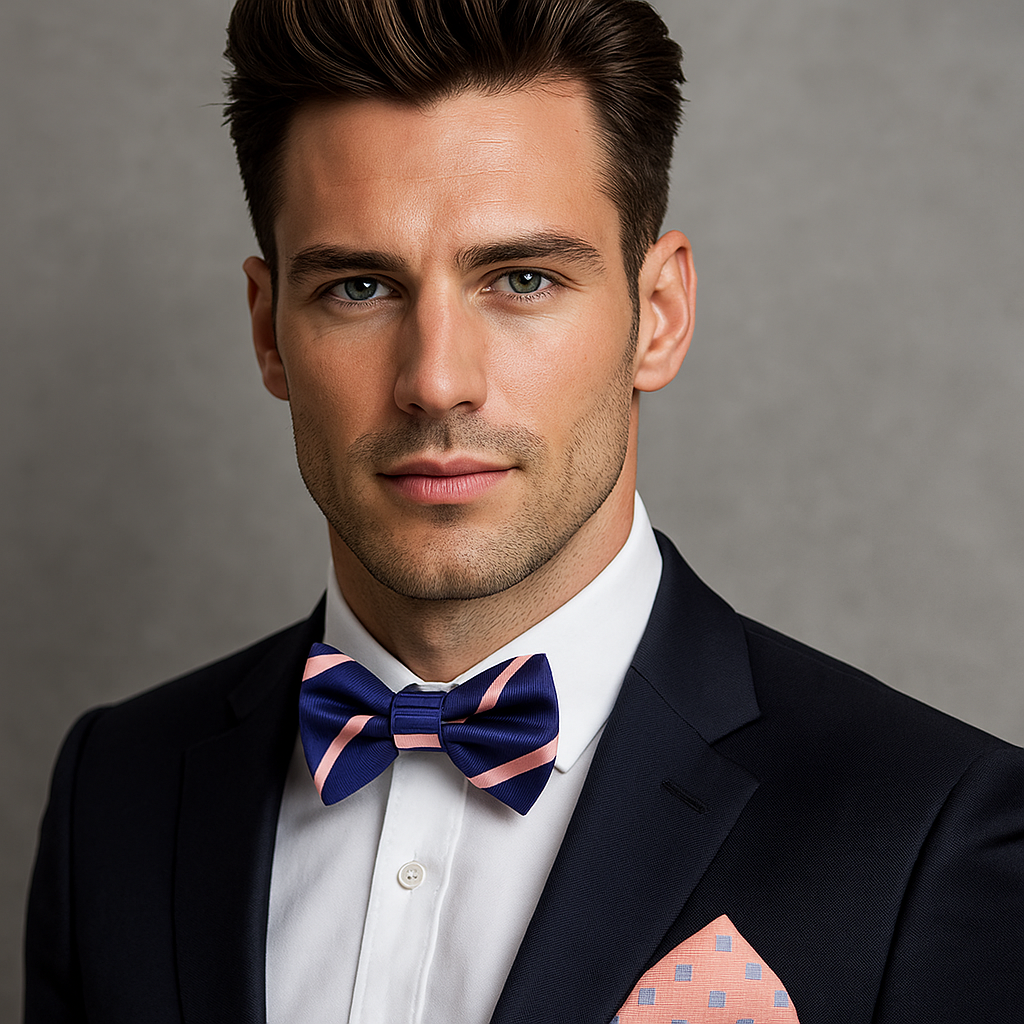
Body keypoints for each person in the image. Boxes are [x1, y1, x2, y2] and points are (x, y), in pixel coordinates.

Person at [24, 0, 1024, 1021]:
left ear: (659, 317)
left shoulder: (931, 835)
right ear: (269, 333)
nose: (437, 381)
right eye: (360, 287)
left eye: (522, 278)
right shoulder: (118, 790)